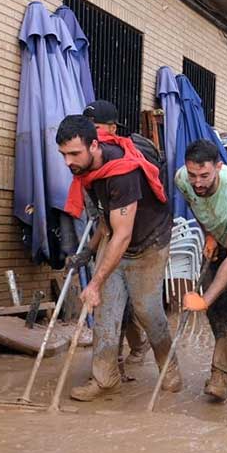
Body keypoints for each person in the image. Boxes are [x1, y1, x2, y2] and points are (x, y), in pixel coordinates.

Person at [55, 115, 179, 402]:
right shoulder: (87, 171)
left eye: (74, 153)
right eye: (63, 154)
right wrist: (89, 250)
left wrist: (95, 282)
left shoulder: (120, 172)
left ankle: (169, 368)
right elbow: (105, 221)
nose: (68, 162)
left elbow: (123, 235)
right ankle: (105, 378)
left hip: (149, 241)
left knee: (146, 308)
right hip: (117, 237)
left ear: (95, 146)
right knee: (106, 312)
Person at [173, 140, 227, 401]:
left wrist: (203, 300)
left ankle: (220, 375)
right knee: (214, 305)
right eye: (193, 175)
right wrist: (210, 234)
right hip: (219, 233)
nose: (197, 182)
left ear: (219, 168)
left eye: (204, 176)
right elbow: (197, 205)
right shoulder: (182, 179)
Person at [84, 100, 149, 368]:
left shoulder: (122, 160)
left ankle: (135, 347)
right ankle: (113, 364)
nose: (92, 135)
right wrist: (89, 250)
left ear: (112, 128)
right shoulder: (88, 159)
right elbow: (102, 218)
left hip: (138, 240)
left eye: (96, 128)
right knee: (110, 302)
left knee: (129, 300)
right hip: (111, 233)